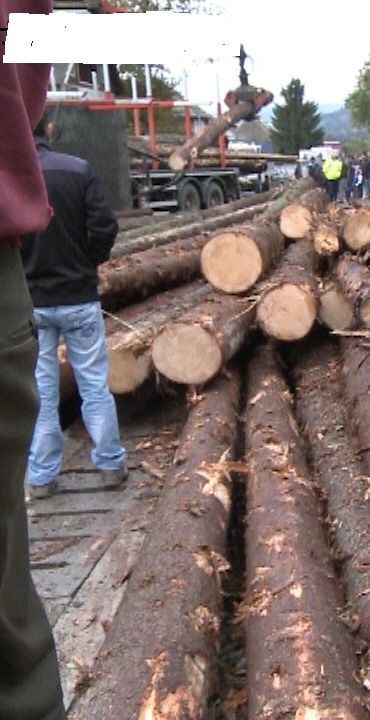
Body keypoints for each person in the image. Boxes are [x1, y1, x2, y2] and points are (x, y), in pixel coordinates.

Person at [0, 0, 69, 716]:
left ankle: (52, 472)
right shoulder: (68, 174)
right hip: (59, 296)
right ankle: (101, 461)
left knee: (47, 396)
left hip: (36, 296)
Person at [21, 114, 128, 500]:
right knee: (94, 385)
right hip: (79, 297)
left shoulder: (10, 177)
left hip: (30, 302)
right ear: (49, 129)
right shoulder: (77, 169)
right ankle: (110, 465)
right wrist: (88, 263)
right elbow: (105, 227)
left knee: (41, 391)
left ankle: (42, 476)